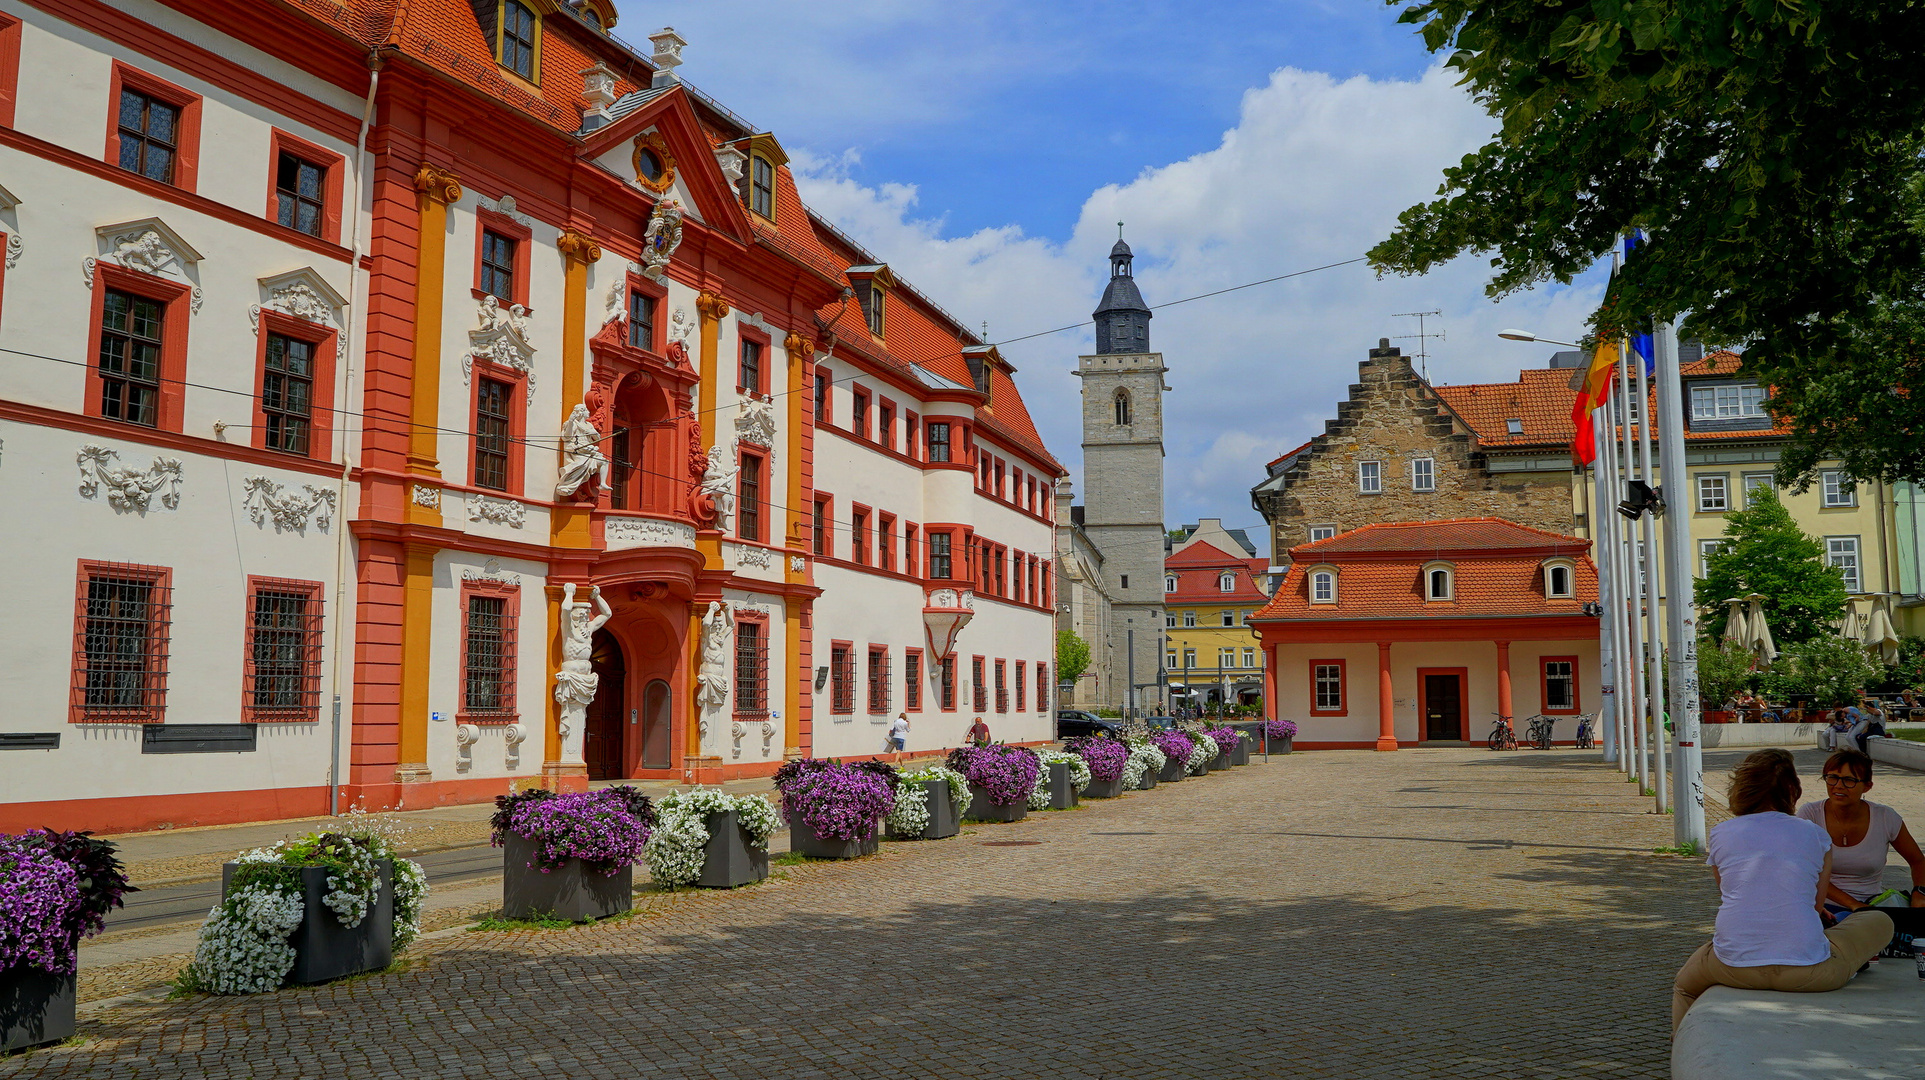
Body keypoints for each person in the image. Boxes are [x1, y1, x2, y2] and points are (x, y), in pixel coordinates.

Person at [1672, 748, 1892, 1031]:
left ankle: (1682, 1048)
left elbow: (1732, 894)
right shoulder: (1815, 834)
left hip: (1734, 966)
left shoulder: (1721, 832)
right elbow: (1815, 905)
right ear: (1793, 790)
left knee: (1684, 987)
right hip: (1810, 971)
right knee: (1879, 920)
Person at [1796, 749, 1925, 915]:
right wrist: (1853, 905)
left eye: (1849, 780)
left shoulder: (1885, 817)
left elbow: (1918, 861)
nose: (1838, 786)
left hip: (1871, 907)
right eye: (1832, 778)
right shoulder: (1810, 814)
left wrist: (1919, 892)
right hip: (1822, 909)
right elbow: (1804, 871)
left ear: (1867, 786)